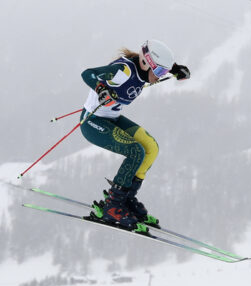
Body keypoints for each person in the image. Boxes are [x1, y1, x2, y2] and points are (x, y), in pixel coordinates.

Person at [79, 39, 191, 232]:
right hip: (92, 122)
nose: (159, 77)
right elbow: (87, 73)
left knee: (151, 147)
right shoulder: (124, 71)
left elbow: (161, 66)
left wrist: (175, 70)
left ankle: (126, 198)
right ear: (145, 63)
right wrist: (101, 89)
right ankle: (113, 206)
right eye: (159, 73)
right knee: (135, 151)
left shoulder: (145, 68)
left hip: (112, 118)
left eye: (162, 73)